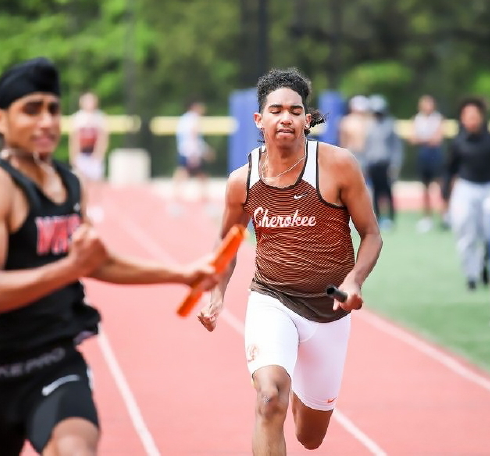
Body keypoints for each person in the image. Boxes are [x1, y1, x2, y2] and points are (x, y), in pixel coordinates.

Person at [0, 57, 219, 456]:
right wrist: (69, 268)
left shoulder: (70, 182)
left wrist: (181, 274)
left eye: (53, 109)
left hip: (55, 359)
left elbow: (97, 262)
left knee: (76, 448)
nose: (46, 121)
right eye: (31, 110)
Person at [197, 68, 383, 455]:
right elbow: (227, 244)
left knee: (310, 437)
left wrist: (354, 280)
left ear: (308, 120)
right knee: (268, 401)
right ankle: (281, 379)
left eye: (296, 111)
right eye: (276, 110)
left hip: (329, 312)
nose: (286, 118)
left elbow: (371, 234)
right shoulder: (243, 180)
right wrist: (216, 295)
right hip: (272, 300)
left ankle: (298, 384)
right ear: (258, 119)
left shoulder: (337, 165)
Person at [441, 96, 490, 291]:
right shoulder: (458, 143)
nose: (471, 119)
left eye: (475, 115)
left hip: (489, 189)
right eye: (467, 116)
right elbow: (449, 170)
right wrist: (445, 195)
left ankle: (484, 264)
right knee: (466, 232)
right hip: (466, 188)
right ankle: (471, 275)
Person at [363, 94, 403, 230]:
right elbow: (367, 147)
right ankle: (379, 218)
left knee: (387, 191)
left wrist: (395, 164)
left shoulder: (390, 125)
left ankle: (390, 218)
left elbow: (396, 147)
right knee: (376, 192)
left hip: (386, 163)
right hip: (373, 164)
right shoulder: (370, 126)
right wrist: (366, 164)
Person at [69, 91, 108, 222]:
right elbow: (74, 138)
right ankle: (83, 206)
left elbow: (103, 137)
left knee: (96, 182)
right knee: (81, 182)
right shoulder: (78, 118)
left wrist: (99, 153)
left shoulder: (100, 118)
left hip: (94, 155)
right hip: (82, 155)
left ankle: (97, 206)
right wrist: (74, 155)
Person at [409, 95, 445, 232]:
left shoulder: (438, 118)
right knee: (425, 187)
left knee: (441, 185)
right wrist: (427, 139)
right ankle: (427, 217)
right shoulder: (417, 119)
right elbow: (413, 139)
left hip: (435, 155)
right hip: (423, 155)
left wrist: (422, 138)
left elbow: (437, 139)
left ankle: (444, 215)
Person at [171, 100, 213, 210]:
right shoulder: (193, 119)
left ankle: (176, 201)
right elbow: (193, 137)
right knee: (189, 175)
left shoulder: (184, 119)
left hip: (185, 151)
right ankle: (178, 201)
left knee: (193, 175)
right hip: (191, 152)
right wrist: (197, 153)